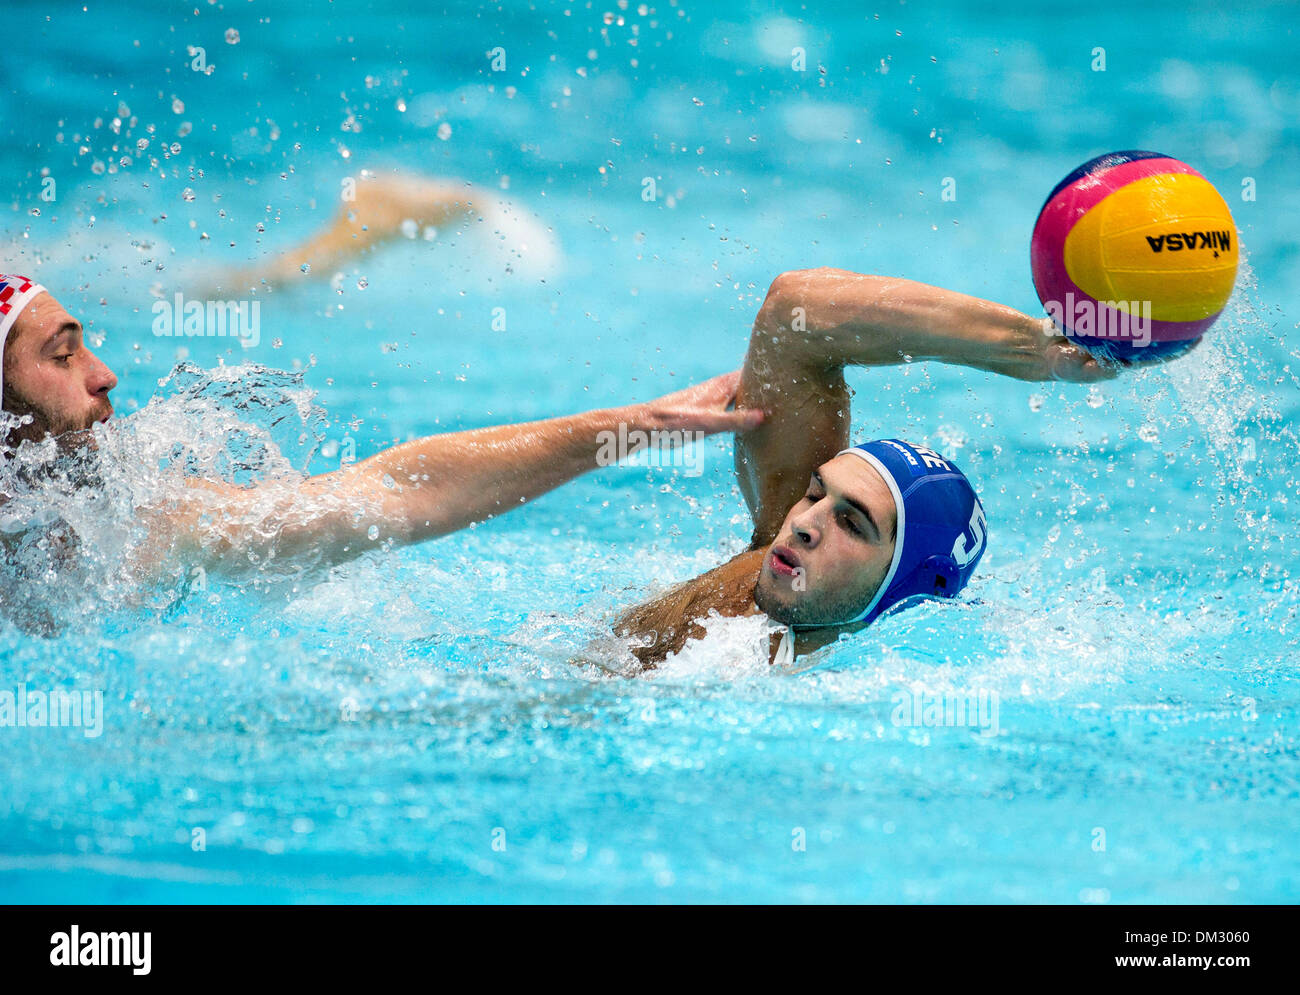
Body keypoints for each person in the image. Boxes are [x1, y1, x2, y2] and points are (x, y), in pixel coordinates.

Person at [0, 273, 761, 585]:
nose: (105, 376)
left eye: (87, 345)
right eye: (63, 355)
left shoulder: (138, 530)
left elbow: (395, 492)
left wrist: (636, 426)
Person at [613, 267, 1182, 668]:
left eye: (855, 524)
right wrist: (1031, 349)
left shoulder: (861, 696)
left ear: (905, 592)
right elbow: (793, 312)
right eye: (815, 494)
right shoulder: (773, 555)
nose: (805, 524)